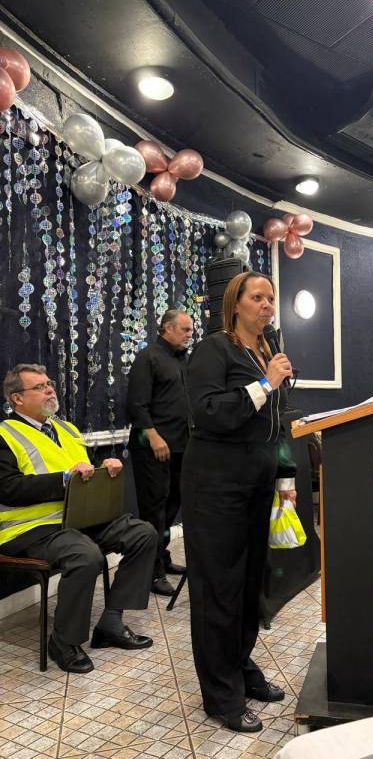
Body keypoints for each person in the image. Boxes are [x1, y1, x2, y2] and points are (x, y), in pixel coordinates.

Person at [182, 271, 296, 733]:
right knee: (219, 589)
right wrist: (266, 384)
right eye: (258, 297)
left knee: (249, 585)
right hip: (215, 486)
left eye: (271, 297)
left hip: (257, 484)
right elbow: (209, 412)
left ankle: (240, 665)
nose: (267, 304)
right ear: (235, 304)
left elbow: (276, 424)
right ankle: (221, 695)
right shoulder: (215, 349)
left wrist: (285, 477)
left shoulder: (266, 352)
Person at [0, 364, 157, 674]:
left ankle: (111, 622)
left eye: (49, 383)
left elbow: (86, 468)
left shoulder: (67, 429)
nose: (50, 389)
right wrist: (63, 479)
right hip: (31, 529)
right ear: (17, 398)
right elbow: (7, 488)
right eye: (40, 387)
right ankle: (63, 642)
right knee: (86, 555)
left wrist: (105, 466)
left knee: (143, 533)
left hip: (79, 520)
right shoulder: (4, 434)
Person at [127, 309, 193, 596]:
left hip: (179, 447)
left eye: (191, 330)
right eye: (185, 329)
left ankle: (162, 558)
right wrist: (153, 437)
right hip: (152, 448)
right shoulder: (148, 357)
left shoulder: (183, 360)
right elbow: (136, 405)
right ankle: (152, 573)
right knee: (153, 510)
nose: (190, 334)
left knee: (170, 507)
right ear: (167, 328)